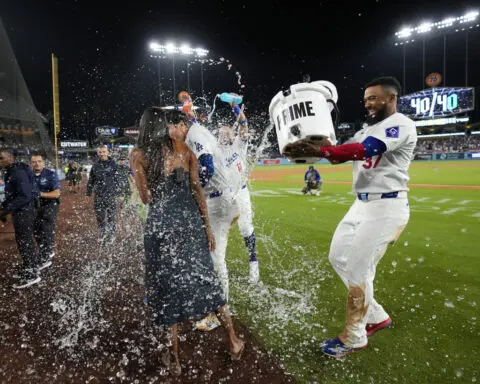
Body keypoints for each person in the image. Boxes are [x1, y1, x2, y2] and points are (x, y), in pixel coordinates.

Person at [283, 76, 417, 357]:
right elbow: (340, 154)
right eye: (366, 98)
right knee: (338, 257)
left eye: (374, 98)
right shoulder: (367, 129)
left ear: (391, 99)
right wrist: (309, 143)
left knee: (359, 271)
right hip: (362, 204)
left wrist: (322, 150)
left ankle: (354, 337)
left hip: (387, 206)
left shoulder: (401, 124)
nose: (368, 103)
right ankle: (376, 315)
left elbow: (364, 150)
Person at [129, 107, 245, 376]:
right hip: (190, 223)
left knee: (166, 287)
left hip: (161, 226)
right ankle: (233, 340)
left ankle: (175, 360)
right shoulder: (184, 149)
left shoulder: (138, 155)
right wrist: (207, 228)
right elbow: (197, 191)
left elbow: (146, 198)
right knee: (206, 277)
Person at [0, 148, 41, 288]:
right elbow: (13, 194)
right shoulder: (13, 170)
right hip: (22, 211)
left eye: (1, 158)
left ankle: (32, 274)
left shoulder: (17, 172)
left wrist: (6, 209)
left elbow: (25, 196)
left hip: (24, 212)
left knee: (25, 242)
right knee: (23, 241)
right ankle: (30, 268)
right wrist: (4, 205)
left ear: (10, 158)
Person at [31, 154, 61, 268]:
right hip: (35, 206)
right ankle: (45, 250)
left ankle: (46, 257)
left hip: (50, 204)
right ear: (31, 164)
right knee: (36, 230)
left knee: (46, 228)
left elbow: (57, 193)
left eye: (39, 161)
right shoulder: (29, 175)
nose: (37, 163)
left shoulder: (50, 174)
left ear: (43, 162)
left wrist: (40, 194)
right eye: (34, 162)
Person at [86, 146, 120, 244]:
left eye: (104, 152)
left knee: (111, 216)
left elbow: (117, 178)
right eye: (100, 152)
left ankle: (112, 234)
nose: (102, 154)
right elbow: (91, 179)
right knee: (100, 216)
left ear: (107, 152)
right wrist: (88, 191)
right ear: (98, 153)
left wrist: (119, 191)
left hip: (110, 194)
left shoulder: (113, 164)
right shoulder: (95, 165)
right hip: (99, 195)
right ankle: (103, 233)